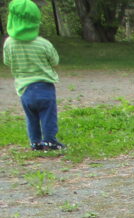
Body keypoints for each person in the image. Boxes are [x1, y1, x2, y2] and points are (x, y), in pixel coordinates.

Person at [3, 0, 64, 151]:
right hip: (44, 86)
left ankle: (35, 142)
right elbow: (55, 61)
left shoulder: (9, 43)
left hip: (24, 89)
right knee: (48, 116)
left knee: (31, 117)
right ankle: (49, 141)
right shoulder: (43, 43)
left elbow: (7, 62)